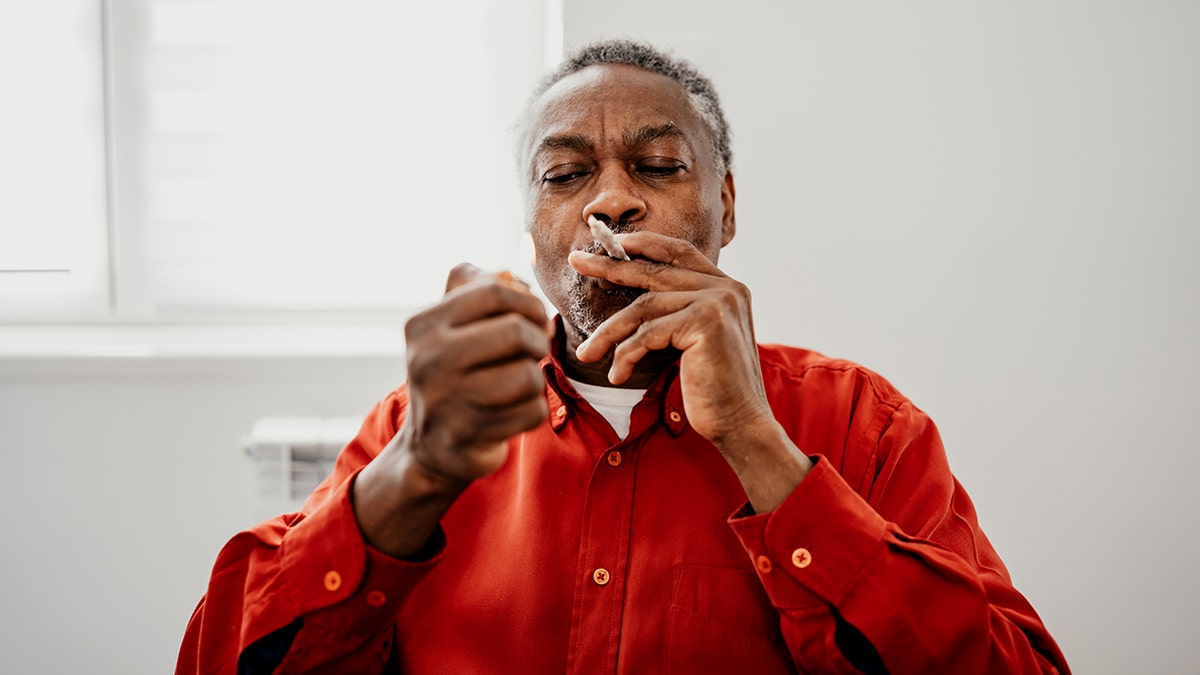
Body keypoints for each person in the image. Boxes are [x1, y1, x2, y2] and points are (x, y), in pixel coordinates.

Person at [177, 39, 1070, 674]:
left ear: (724, 205)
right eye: (565, 176)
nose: (610, 202)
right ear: (532, 224)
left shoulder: (864, 424)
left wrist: (761, 446)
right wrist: (412, 475)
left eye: (658, 165)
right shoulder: (420, 427)